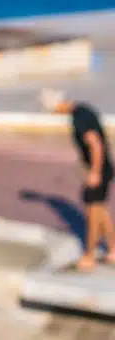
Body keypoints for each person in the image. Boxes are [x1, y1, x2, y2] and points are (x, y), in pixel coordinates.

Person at [41, 89, 114, 270]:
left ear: (58, 106)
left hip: (98, 171)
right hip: (103, 168)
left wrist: (95, 172)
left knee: (93, 214)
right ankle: (113, 250)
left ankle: (89, 256)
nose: (54, 114)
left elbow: (96, 144)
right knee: (100, 211)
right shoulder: (84, 110)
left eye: (52, 110)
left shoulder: (79, 119)